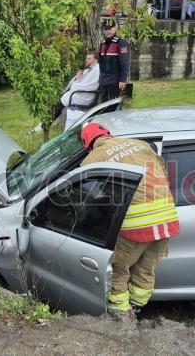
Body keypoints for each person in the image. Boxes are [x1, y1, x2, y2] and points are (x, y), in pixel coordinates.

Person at [79, 123, 179, 320]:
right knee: (146, 269)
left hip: (137, 223)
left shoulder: (93, 158)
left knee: (118, 269)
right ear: (108, 133)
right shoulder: (140, 144)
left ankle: (122, 316)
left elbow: (89, 192)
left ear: (88, 145)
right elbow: (164, 173)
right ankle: (137, 308)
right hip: (167, 217)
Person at [97, 8, 131, 102]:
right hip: (103, 81)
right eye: (105, 29)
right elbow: (101, 63)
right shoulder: (102, 44)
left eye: (110, 28)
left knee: (113, 108)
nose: (108, 31)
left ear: (115, 28)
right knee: (102, 106)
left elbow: (125, 64)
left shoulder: (122, 44)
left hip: (115, 81)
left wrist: (123, 80)